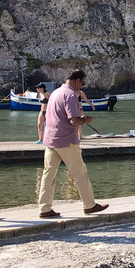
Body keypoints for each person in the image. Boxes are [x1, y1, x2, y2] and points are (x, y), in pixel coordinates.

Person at [36, 69, 108, 218]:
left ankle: (44, 208)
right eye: (82, 83)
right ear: (77, 80)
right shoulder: (70, 95)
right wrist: (85, 119)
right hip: (66, 139)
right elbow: (74, 120)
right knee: (80, 172)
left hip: (50, 138)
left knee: (48, 174)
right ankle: (89, 205)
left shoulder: (55, 93)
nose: (82, 86)